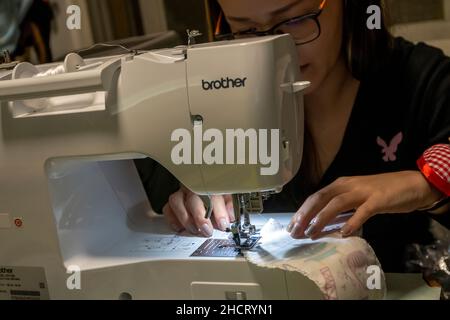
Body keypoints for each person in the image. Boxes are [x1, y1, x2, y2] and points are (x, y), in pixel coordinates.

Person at [141, 0, 450, 272]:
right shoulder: (216, 100)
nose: (278, 48)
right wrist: (195, 185)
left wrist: (423, 184)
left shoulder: (419, 80)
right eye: (246, 31)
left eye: (294, 20)